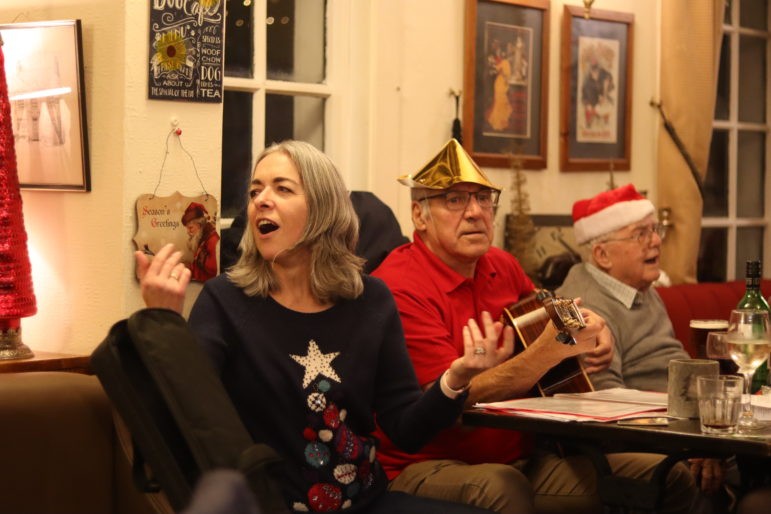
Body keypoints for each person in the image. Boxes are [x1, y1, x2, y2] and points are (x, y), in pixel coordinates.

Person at [135, 140, 508, 513]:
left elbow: (406, 431)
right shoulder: (224, 300)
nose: (261, 200)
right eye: (255, 191)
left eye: (282, 188)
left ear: (324, 209)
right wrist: (162, 321)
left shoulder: (371, 299)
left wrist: (454, 380)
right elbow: (182, 424)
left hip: (367, 502)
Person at [372, 139, 697, 514]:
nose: (476, 212)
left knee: (666, 474)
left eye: (483, 198)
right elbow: (447, 404)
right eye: (455, 200)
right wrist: (549, 351)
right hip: (424, 465)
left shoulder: (503, 265)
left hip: (526, 458)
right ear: (419, 215)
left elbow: (556, 319)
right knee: (502, 486)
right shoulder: (397, 287)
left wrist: (596, 329)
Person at [556, 184, 690, 393]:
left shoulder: (641, 287)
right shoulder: (582, 306)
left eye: (654, 230)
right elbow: (605, 398)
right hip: (654, 419)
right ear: (603, 256)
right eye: (640, 234)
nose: (656, 241)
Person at [181, 201, 220, 281]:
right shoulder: (201, 238)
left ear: (199, 225)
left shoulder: (213, 240)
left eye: (190, 228)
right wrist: (188, 267)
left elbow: (213, 269)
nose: (188, 232)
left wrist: (192, 268)